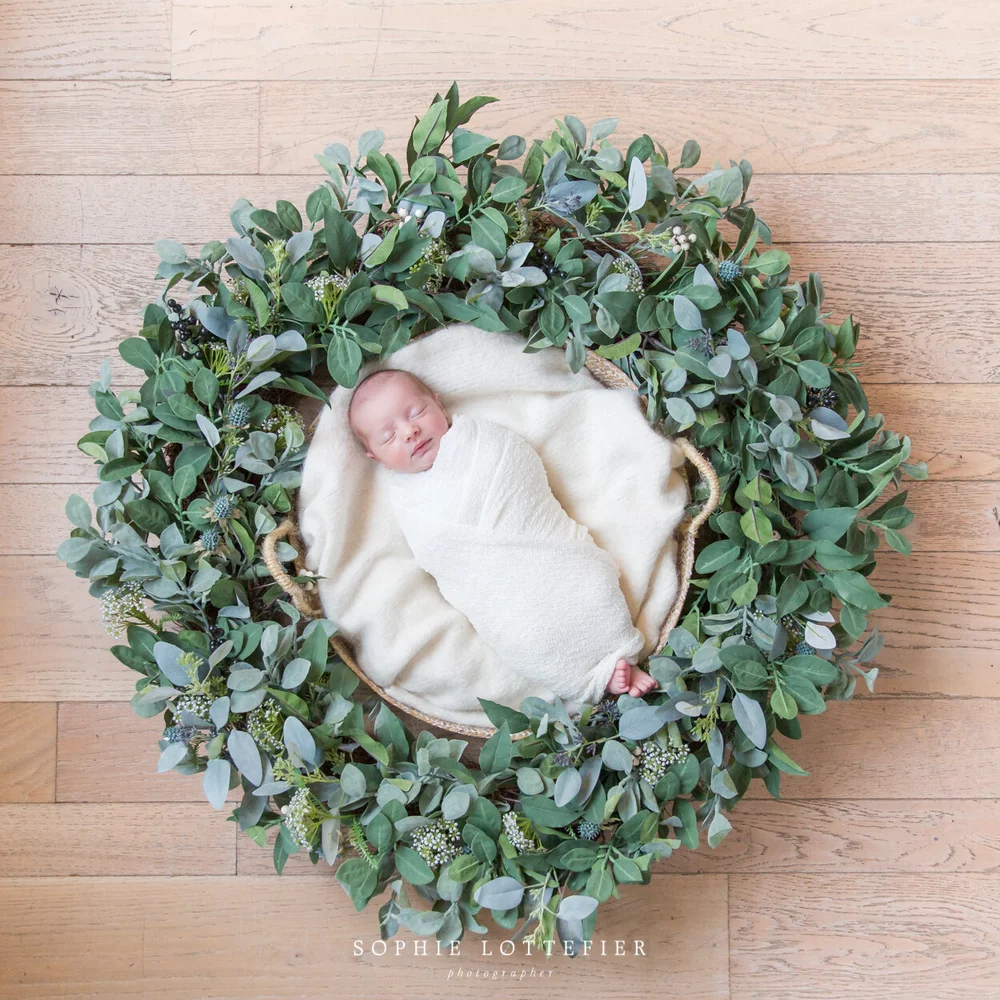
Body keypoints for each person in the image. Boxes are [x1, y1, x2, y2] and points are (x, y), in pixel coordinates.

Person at [347, 367, 659, 700]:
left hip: (551, 553)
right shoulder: (409, 503)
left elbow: (519, 466)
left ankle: (619, 650)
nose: (409, 431)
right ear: (376, 458)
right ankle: (592, 679)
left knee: (592, 587)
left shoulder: (482, 442)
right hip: (504, 596)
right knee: (526, 637)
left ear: (438, 405)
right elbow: (434, 551)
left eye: (416, 412)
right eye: (388, 437)